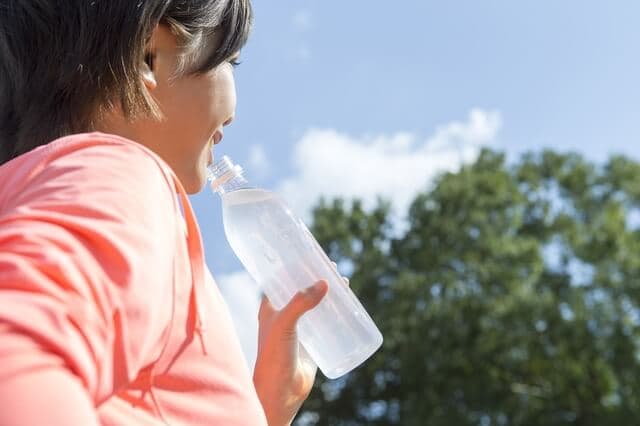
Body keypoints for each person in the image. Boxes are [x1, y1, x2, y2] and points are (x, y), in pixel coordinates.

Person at [0, 1, 331, 425]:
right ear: (148, 57)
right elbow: (15, 353)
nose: (235, 113)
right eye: (230, 58)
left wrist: (267, 407)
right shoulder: (118, 175)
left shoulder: (42, 191)